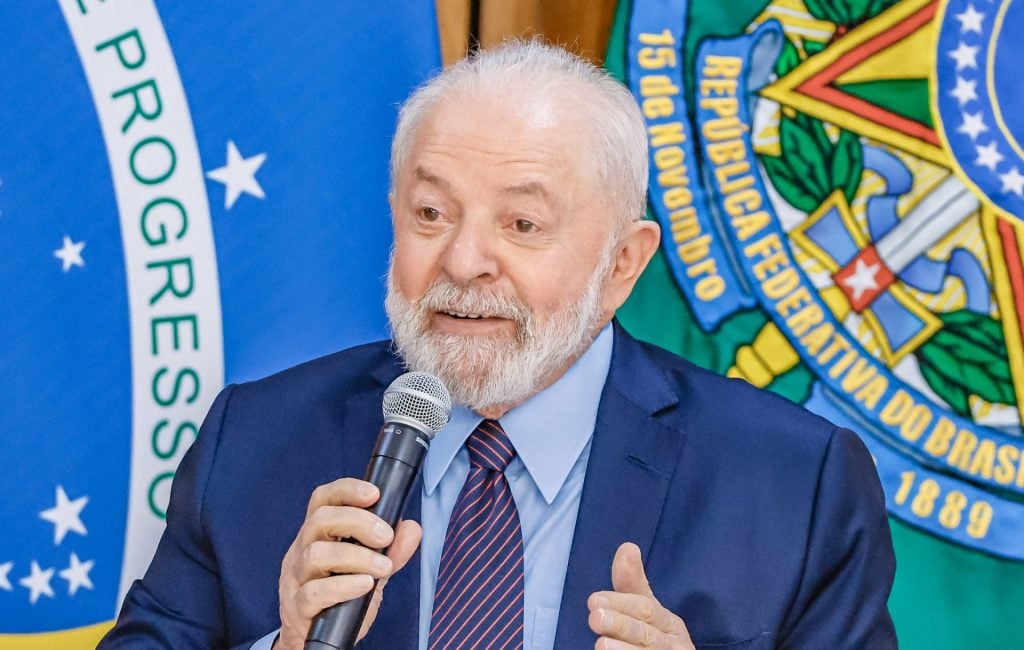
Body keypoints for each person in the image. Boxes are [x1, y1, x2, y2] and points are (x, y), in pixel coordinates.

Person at [100, 41, 897, 649]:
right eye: (431, 215)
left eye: (521, 224)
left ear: (623, 264)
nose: (463, 261)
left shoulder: (796, 483)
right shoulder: (257, 440)